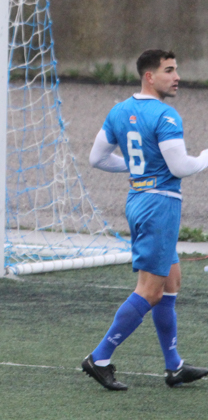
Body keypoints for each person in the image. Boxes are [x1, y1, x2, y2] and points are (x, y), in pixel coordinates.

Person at [82, 49, 208, 390]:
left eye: (176, 69)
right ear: (149, 76)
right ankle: (99, 358)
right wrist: (204, 158)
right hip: (159, 206)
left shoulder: (119, 111)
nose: (177, 77)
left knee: (171, 283)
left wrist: (139, 167)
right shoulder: (166, 115)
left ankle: (174, 366)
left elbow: (97, 158)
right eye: (169, 70)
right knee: (150, 292)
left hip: (139, 200)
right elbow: (180, 167)